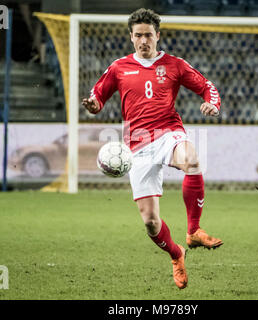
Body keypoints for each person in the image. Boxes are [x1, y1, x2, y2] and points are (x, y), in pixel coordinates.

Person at [82, 8, 223, 289]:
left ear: (158, 36)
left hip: (168, 132)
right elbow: (97, 97)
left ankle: (193, 230)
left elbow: (207, 86)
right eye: (138, 35)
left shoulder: (174, 65)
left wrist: (213, 104)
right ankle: (176, 254)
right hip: (137, 146)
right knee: (150, 222)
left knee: (192, 161)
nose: (144, 40)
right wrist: (93, 105)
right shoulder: (119, 67)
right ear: (131, 37)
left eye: (148, 35)